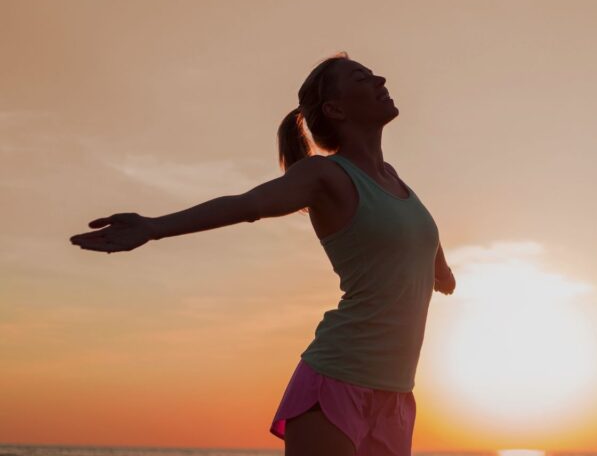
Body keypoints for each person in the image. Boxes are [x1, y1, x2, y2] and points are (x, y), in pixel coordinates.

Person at [69, 50, 457, 456]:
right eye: (362, 78)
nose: (379, 80)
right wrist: (154, 227)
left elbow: (418, 236)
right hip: (337, 382)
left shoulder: (394, 181)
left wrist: (442, 272)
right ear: (335, 109)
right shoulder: (324, 175)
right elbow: (247, 205)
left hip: (395, 396)